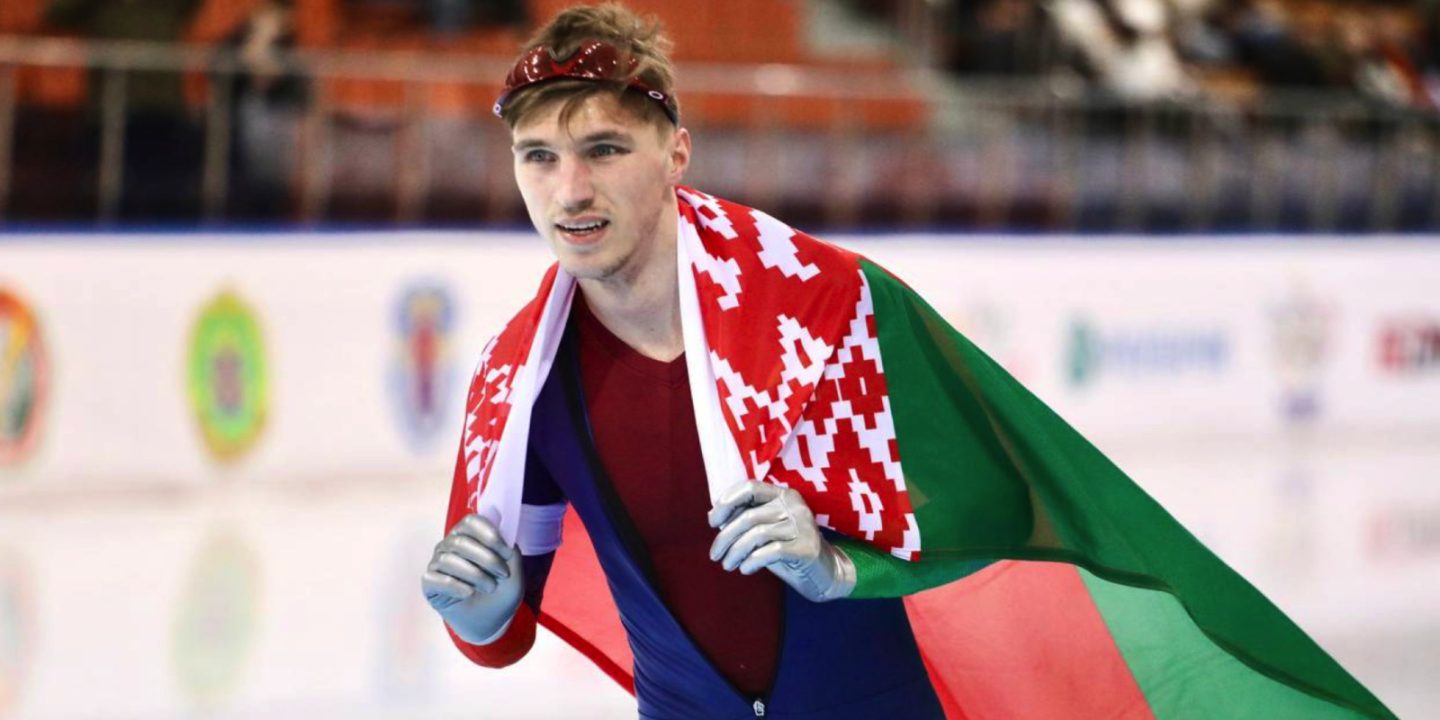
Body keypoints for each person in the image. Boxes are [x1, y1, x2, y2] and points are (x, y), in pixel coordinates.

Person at [422, 4, 1395, 719]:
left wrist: (842, 566)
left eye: (603, 149)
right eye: (538, 157)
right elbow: (501, 632)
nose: (570, 189)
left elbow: (989, 500)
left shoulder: (832, 306)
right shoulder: (522, 381)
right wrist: (480, 615)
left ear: (676, 154)